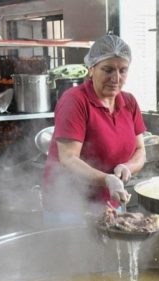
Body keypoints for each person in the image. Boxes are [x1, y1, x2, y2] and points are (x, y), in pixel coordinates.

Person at [41, 34, 146, 224]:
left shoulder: (129, 102)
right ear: (91, 69)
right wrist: (107, 179)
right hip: (69, 206)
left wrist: (128, 167)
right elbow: (68, 159)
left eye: (123, 70)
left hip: (111, 202)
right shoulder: (75, 101)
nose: (116, 78)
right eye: (108, 70)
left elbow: (140, 150)